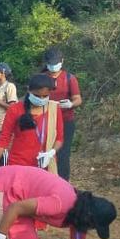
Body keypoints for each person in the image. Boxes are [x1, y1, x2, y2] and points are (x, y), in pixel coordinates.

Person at [0, 74, 63, 172]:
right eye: (37, 96)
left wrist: (52, 152)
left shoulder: (54, 109)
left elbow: (59, 138)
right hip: (18, 164)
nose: (41, 99)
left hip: (44, 165)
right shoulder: (15, 109)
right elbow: (4, 138)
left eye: (45, 96)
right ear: (29, 91)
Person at [42, 48, 82, 180]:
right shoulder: (41, 78)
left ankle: (63, 183)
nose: (53, 67)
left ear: (62, 62)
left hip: (65, 121)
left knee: (63, 155)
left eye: (56, 63)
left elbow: (78, 99)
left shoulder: (69, 78)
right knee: (45, 152)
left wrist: (70, 104)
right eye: (51, 63)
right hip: (45, 121)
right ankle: (46, 180)